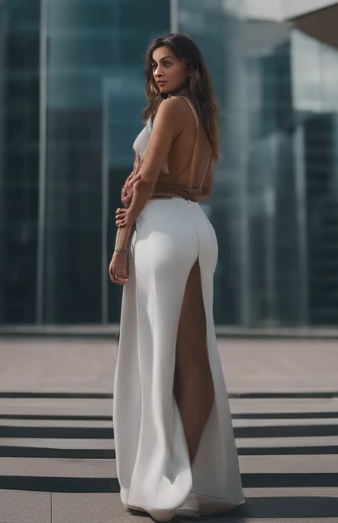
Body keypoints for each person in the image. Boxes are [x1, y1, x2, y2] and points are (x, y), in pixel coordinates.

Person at [110, 33, 245, 521]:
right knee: (193, 353)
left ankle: (169, 475)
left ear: (190, 67)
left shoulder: (169, 109)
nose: (157, 73)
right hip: (195, 227)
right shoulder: (205, 117)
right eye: (153, 65)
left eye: (166, 63)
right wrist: (151, 179)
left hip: (163, 231)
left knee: (161, 354)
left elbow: (145, 182)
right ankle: (187, 472)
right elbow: (201, 187)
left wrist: (122, 243)